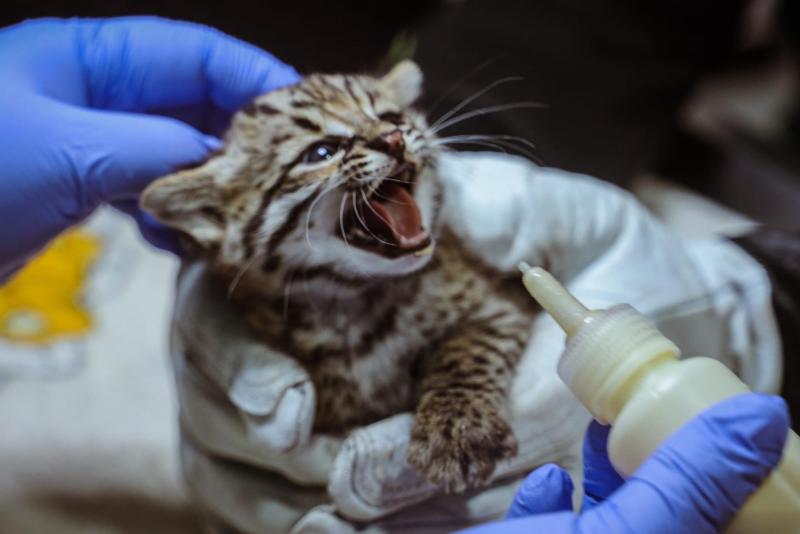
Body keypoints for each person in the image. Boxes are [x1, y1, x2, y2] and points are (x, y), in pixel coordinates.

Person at [0, 17, 792, 532]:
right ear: (224, 223)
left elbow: (489, 313)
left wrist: (754, 306)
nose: (386, 145)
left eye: (390, 126)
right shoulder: (251, 289)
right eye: (321, 150)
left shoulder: (434, 236)